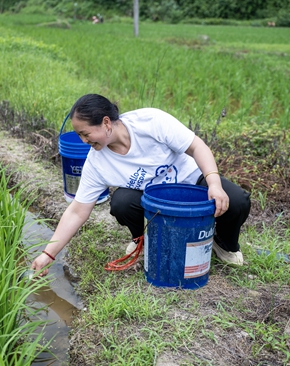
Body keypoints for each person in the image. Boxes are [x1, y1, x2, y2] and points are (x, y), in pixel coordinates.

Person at [31, 94, 251, 275]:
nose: (84, 141)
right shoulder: (97, 163)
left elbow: (197, 147)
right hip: (154, 200)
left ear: (106, 123)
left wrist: (213, 182)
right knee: (121, 202)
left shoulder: (150, 122)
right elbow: (77, 211)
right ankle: (145, 240)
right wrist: (48, 254)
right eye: (80, 135)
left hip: (190, 182)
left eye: (85, 134)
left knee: (238, 200)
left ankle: (222, 243)